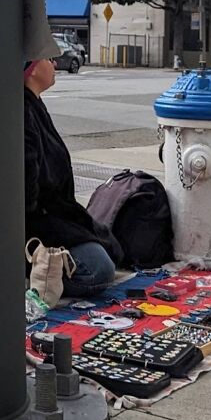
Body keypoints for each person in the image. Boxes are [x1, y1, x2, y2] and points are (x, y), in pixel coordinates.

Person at [24, 58, 122, 296]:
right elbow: (28, 191)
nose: (55, 64)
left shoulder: (35, 104)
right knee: (98, 271)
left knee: (114, 248)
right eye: (48, 60)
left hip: (55, 212)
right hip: (37, 221)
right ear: (33, 69)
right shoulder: (23, 110)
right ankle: (37, 278)